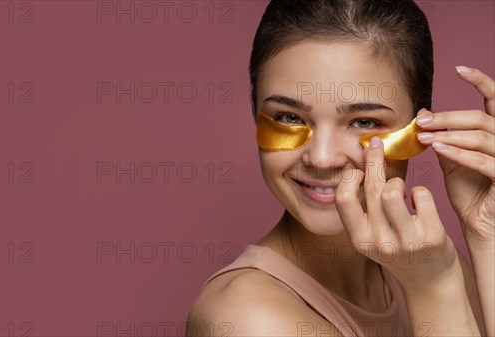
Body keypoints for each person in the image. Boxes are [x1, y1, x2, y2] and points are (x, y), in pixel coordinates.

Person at [187, 1, 494, 336]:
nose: (321, 158)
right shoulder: (246, 318)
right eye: (289, 117)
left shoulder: (425, 263)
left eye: (363, 121)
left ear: (420, 128)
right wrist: (434, 290)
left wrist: (485, 231)